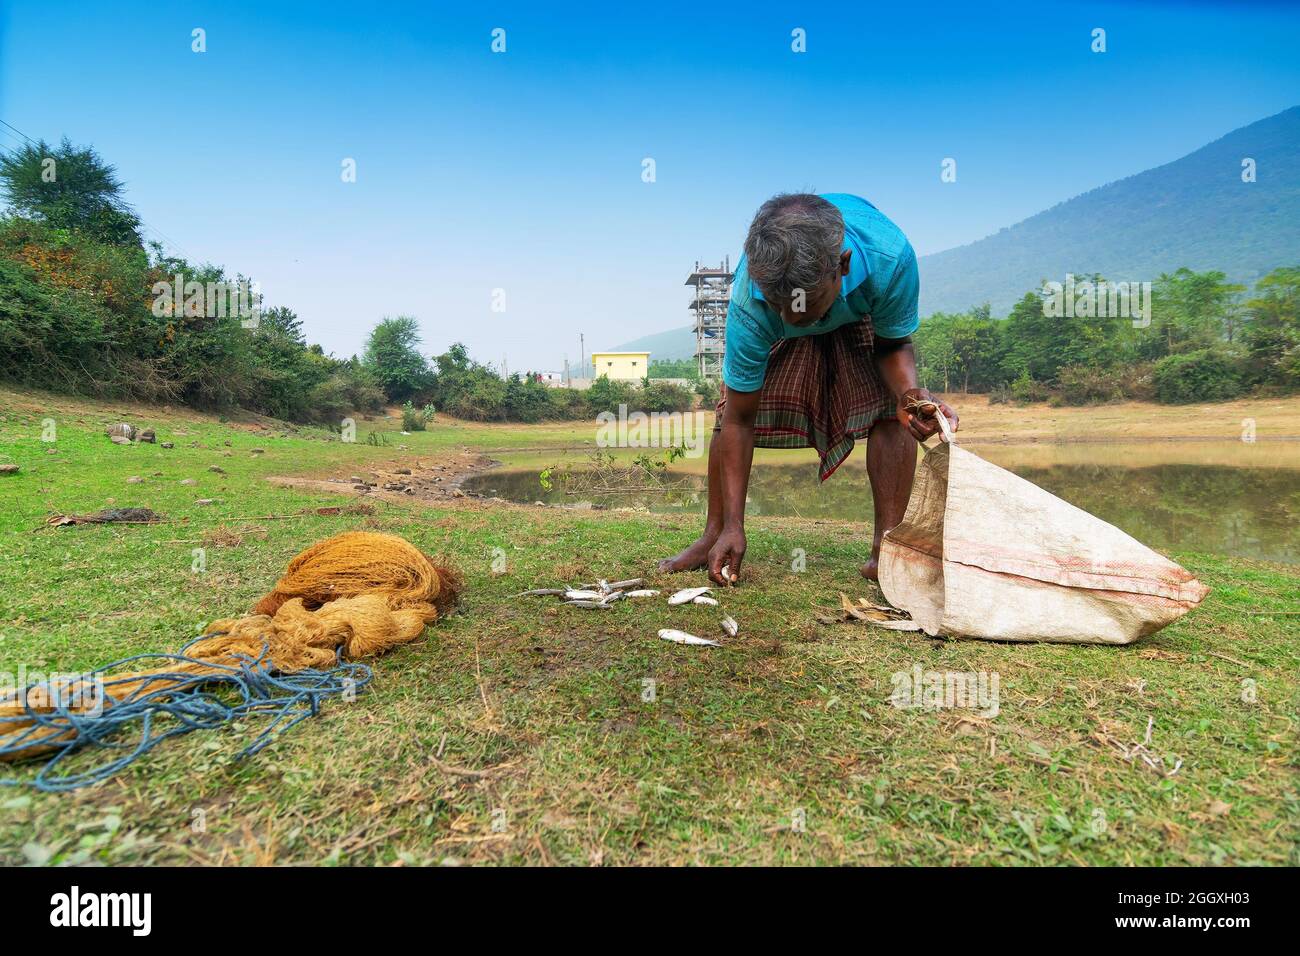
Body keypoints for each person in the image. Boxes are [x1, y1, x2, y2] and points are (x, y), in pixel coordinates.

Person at [658, 193, 958, 584]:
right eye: (780, 304)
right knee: (725, 411)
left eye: (804, 302)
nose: (793, 318)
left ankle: (887, 548)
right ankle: (716, 533)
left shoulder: (890, 259)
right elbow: (740, 419)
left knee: (891, 410)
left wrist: (908, 395)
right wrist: (736, 524)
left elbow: (893, 344)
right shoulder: (754, 301)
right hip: (788, 317)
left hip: (857, 312)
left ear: (843, 265)